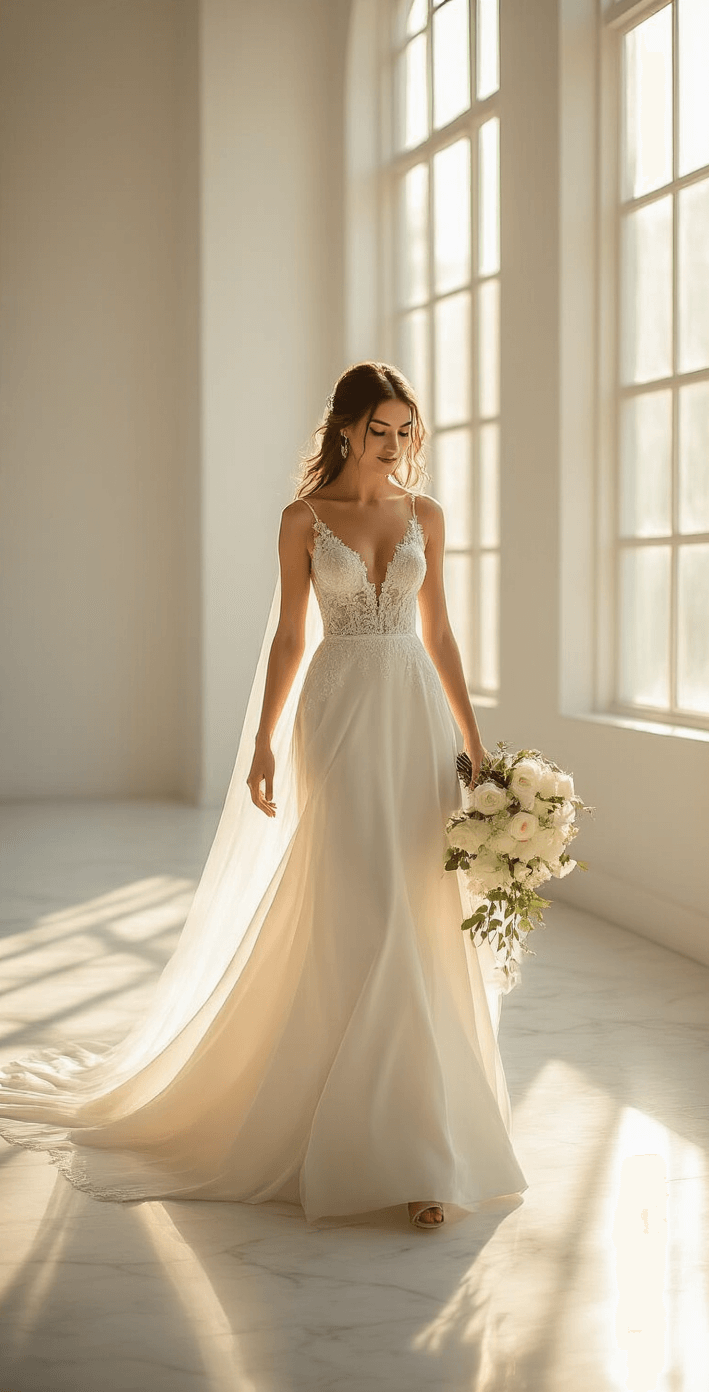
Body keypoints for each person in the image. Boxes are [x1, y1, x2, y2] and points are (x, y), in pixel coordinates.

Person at [0, 362, 527, 1231]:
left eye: (408, 432)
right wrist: (263, 742)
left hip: (415, 717)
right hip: (339, 713)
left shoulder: (426, 517)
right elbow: (291, 633)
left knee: (418, 907)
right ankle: (362, 1131)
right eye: (381, 429)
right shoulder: (303, 520)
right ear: (348, 427)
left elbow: (438, 631)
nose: (396, 446)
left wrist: (473, 743)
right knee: (361, 901)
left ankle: (430, 1151)